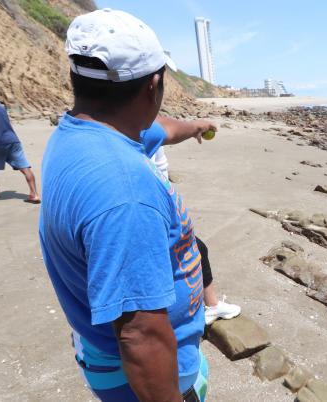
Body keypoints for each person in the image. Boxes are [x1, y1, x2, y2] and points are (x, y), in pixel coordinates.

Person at [39, 9, 216, 401]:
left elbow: (164, 128)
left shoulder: (83, 131)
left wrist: (197, 125)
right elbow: (140, 335)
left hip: (104, 350)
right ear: (154, 85)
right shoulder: (125, 192)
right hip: (136, 377)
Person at [149, 141, 241, 325]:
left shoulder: (147, 132)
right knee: (192, 250)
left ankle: (210, 304)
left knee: (195, 249)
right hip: (153, 211)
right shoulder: (144, 132)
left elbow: (162, 169)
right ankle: (210, 306)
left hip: (160, 208)